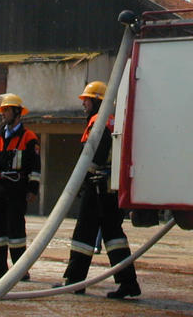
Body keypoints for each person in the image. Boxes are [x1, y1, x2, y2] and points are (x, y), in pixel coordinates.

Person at [56, 80, 141, 298]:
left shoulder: (98, 122)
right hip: (109, 189)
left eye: (87, 100)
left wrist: (79, 182)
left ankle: (74, 281)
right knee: (113, 236)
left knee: (84, 234)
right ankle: (128, 283)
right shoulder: (111, 121)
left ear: (97, 102)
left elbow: (94, 158)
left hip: (97, 188)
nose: (83, 104)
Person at [0, 93, 40, 281]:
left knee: (16, 229)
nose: (3, 113)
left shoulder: (29, 138)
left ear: (17, 112)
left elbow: (35, 167)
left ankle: (20, 270)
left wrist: (33, 189)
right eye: (3, 110)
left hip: (17, 189)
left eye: (6, 110)